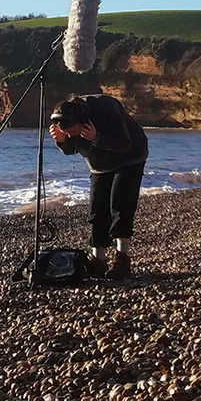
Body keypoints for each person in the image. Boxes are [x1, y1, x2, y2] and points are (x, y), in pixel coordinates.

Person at [49, 94, 148, 280]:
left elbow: (125, 143)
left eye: (74, 132)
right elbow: (72, 148)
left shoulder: (105, 107)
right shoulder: (69, 122)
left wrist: (97, 137)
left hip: (130, 156)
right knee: (97, 209)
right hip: (99, 163)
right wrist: (62, 141)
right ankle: (98, 260)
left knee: (120, 204)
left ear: (85, 123)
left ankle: (122, 259)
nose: (72, 136)